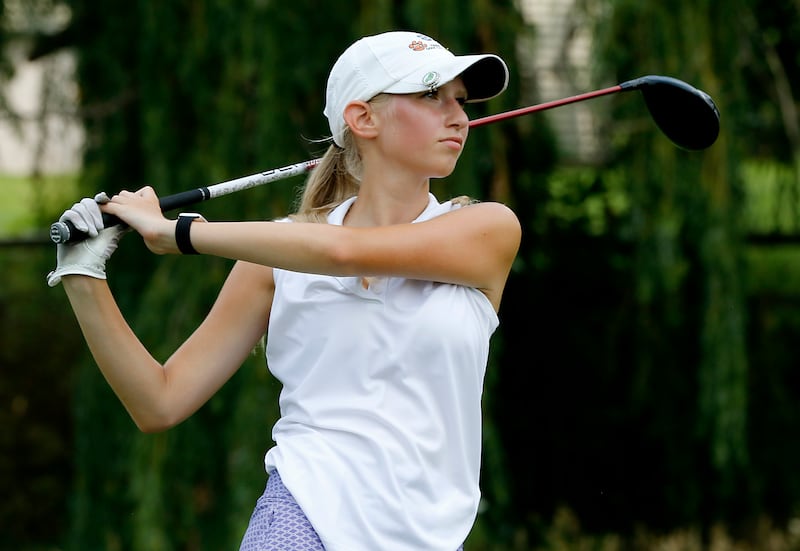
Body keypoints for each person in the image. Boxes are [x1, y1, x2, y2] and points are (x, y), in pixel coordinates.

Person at [48, 30, 521, 551]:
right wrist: (83, 276)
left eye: (460, 100)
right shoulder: (274, 261)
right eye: (432, 95)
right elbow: (159, 402)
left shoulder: (487, 229)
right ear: (363, 119)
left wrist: (177, 233)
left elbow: (342, 253)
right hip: (301, 515)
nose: (458, 116)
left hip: (430, 535)